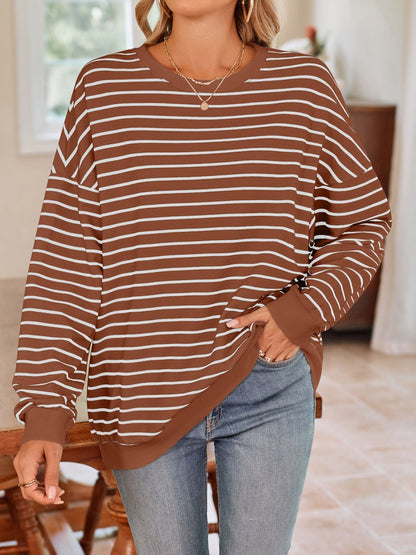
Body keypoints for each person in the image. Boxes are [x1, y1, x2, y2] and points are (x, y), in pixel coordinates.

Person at [11, 0, 392, 553]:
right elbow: (66, 258)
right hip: (140, 387)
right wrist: (46, 409)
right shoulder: (104, 88)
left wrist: (303, 310)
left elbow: (363, 221)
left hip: (265, 379)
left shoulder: (304, 86)